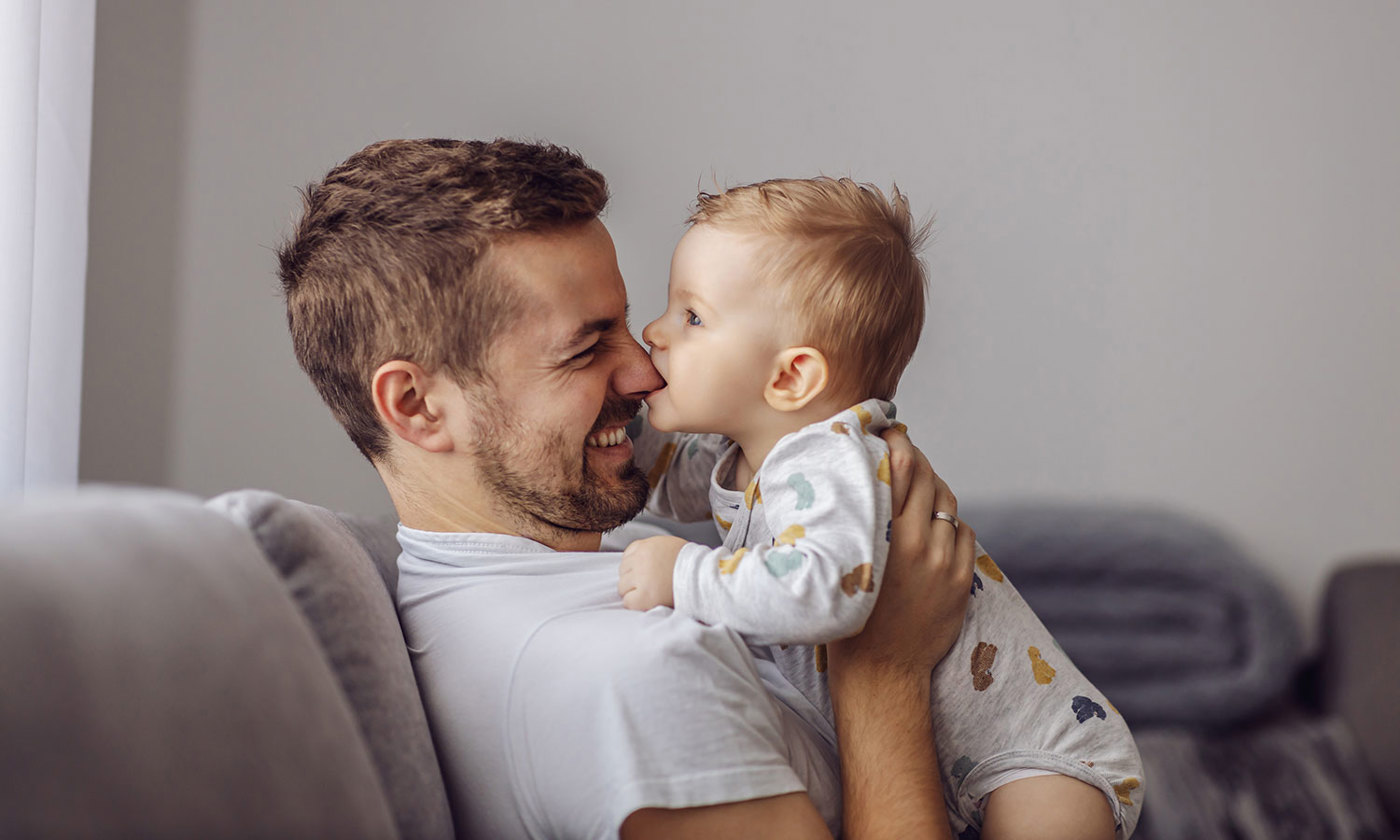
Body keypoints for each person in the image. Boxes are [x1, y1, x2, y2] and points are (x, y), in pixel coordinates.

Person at [278, 137, 979, 839]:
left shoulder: (565, 563)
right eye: (585, 349)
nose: (647, 372)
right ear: (417, 407)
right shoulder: (634, 683)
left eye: (627, 324)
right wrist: (885, 671)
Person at [616, 177, 1143, 838]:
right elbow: (657, 475)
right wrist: (611, 408)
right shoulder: (746, 454)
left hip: (1040, 754)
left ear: (791, 377)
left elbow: (822, 593)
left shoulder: (831, 461)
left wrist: (682, 576)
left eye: (690, 316)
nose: (653, 332)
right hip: (943, 760)